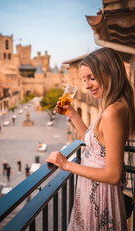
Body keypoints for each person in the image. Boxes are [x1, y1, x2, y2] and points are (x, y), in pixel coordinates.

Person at [46, 47, 135, 231]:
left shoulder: (112, 112)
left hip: (100, 198)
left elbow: (113, 175)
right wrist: (72, 114)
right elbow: (96, 145)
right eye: (84, 79)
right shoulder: (114, 106)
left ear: (111, 73)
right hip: (95, 192)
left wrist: (66, 165)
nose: (86, 85)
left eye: (92, 78)